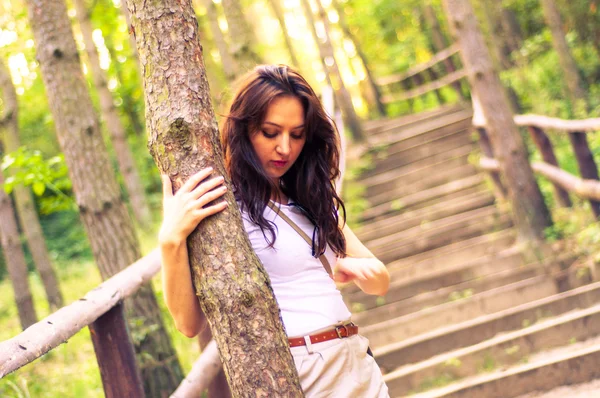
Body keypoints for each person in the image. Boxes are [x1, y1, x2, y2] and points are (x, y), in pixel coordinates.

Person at [159, 64, 390, 397]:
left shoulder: (310, 199)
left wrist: (360, 270)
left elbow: (381, 282)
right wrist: (170, 240)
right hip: (302, 371)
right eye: (271, 132)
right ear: (245, 130)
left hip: (355, 359)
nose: (285, 148)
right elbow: (188, 324)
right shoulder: (224, 209)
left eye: (297, 134)